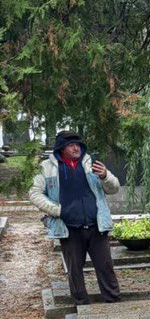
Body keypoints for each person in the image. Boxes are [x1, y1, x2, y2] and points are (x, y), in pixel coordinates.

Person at [29, 129, 122, 305]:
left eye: (78, 144)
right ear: (61, 148)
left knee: (105, 266)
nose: (75, 148)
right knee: (74, 270)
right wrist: (58, 210)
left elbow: (114, 188)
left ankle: (113, 299)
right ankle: (81, 304)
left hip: (96, 225)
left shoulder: (90, 164)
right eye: (71, 145)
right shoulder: (47, 168)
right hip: (68, 228)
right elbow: (34, 194)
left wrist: (105, 176)